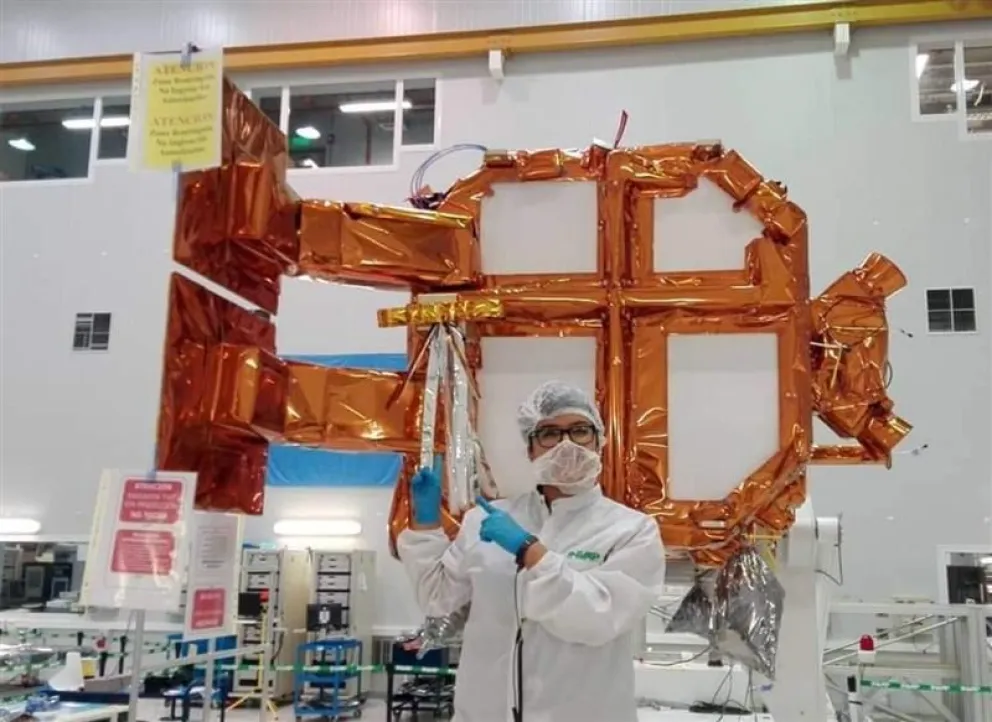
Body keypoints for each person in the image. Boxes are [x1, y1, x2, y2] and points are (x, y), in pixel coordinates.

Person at [398, 380, 667, 722]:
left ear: (599, 441)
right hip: (484, 713)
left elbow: (598, 618)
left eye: (580, 431)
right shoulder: (487, 519)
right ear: (530, 449)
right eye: (550, 433)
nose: (567, 444)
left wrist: (529, 550)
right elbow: (437, 598)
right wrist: (426, 523)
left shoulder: (631, 530)